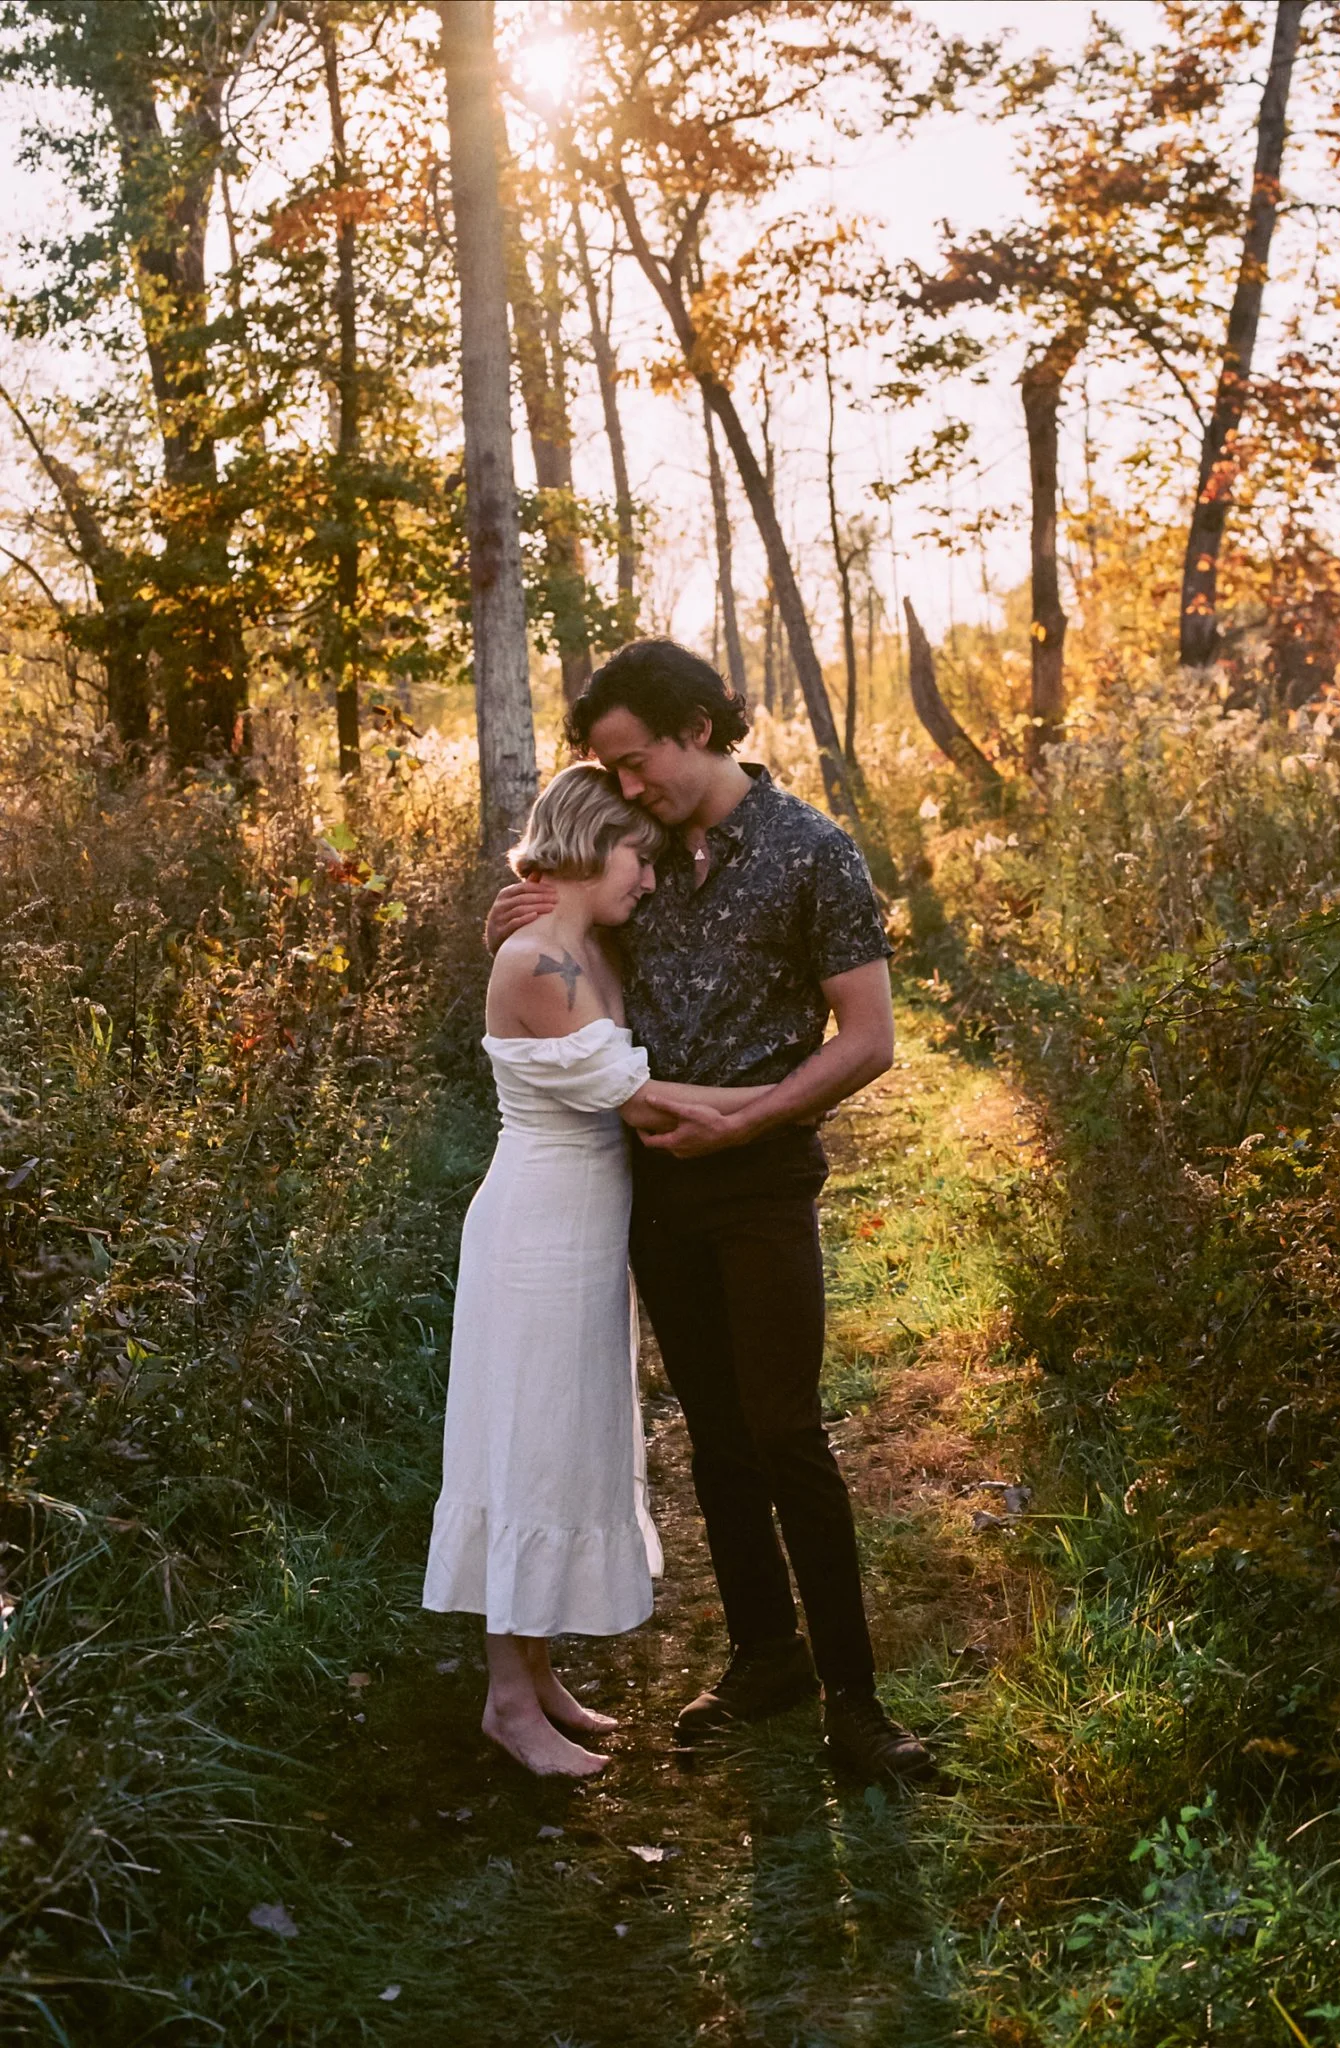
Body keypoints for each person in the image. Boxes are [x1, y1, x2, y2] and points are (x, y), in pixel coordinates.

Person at [487, 641, 932, 1782]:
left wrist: (750, 1121)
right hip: (648, 1184)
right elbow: (568, 981)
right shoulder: (631, 859)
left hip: (760, 1179)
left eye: (636, 763)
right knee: (716, 1438)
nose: (627, 788)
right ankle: (763, 1657)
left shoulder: (812, 851)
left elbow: (869, 1041)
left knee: (786, 1429)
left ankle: (856, 1700)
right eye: (610, 775)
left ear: (697, 725)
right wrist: (538, 916)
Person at [424, 763, 776, 1778]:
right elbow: (642, 1099)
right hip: (535, 1236)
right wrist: (785, 1095)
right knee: (524, 1447)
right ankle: (504, 1699)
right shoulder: (543, 961)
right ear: (587, 842)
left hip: (581, 1239)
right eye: (638, 855)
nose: (651, 879)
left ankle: (537, 1673)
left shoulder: (587, 948)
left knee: (566, 1444)